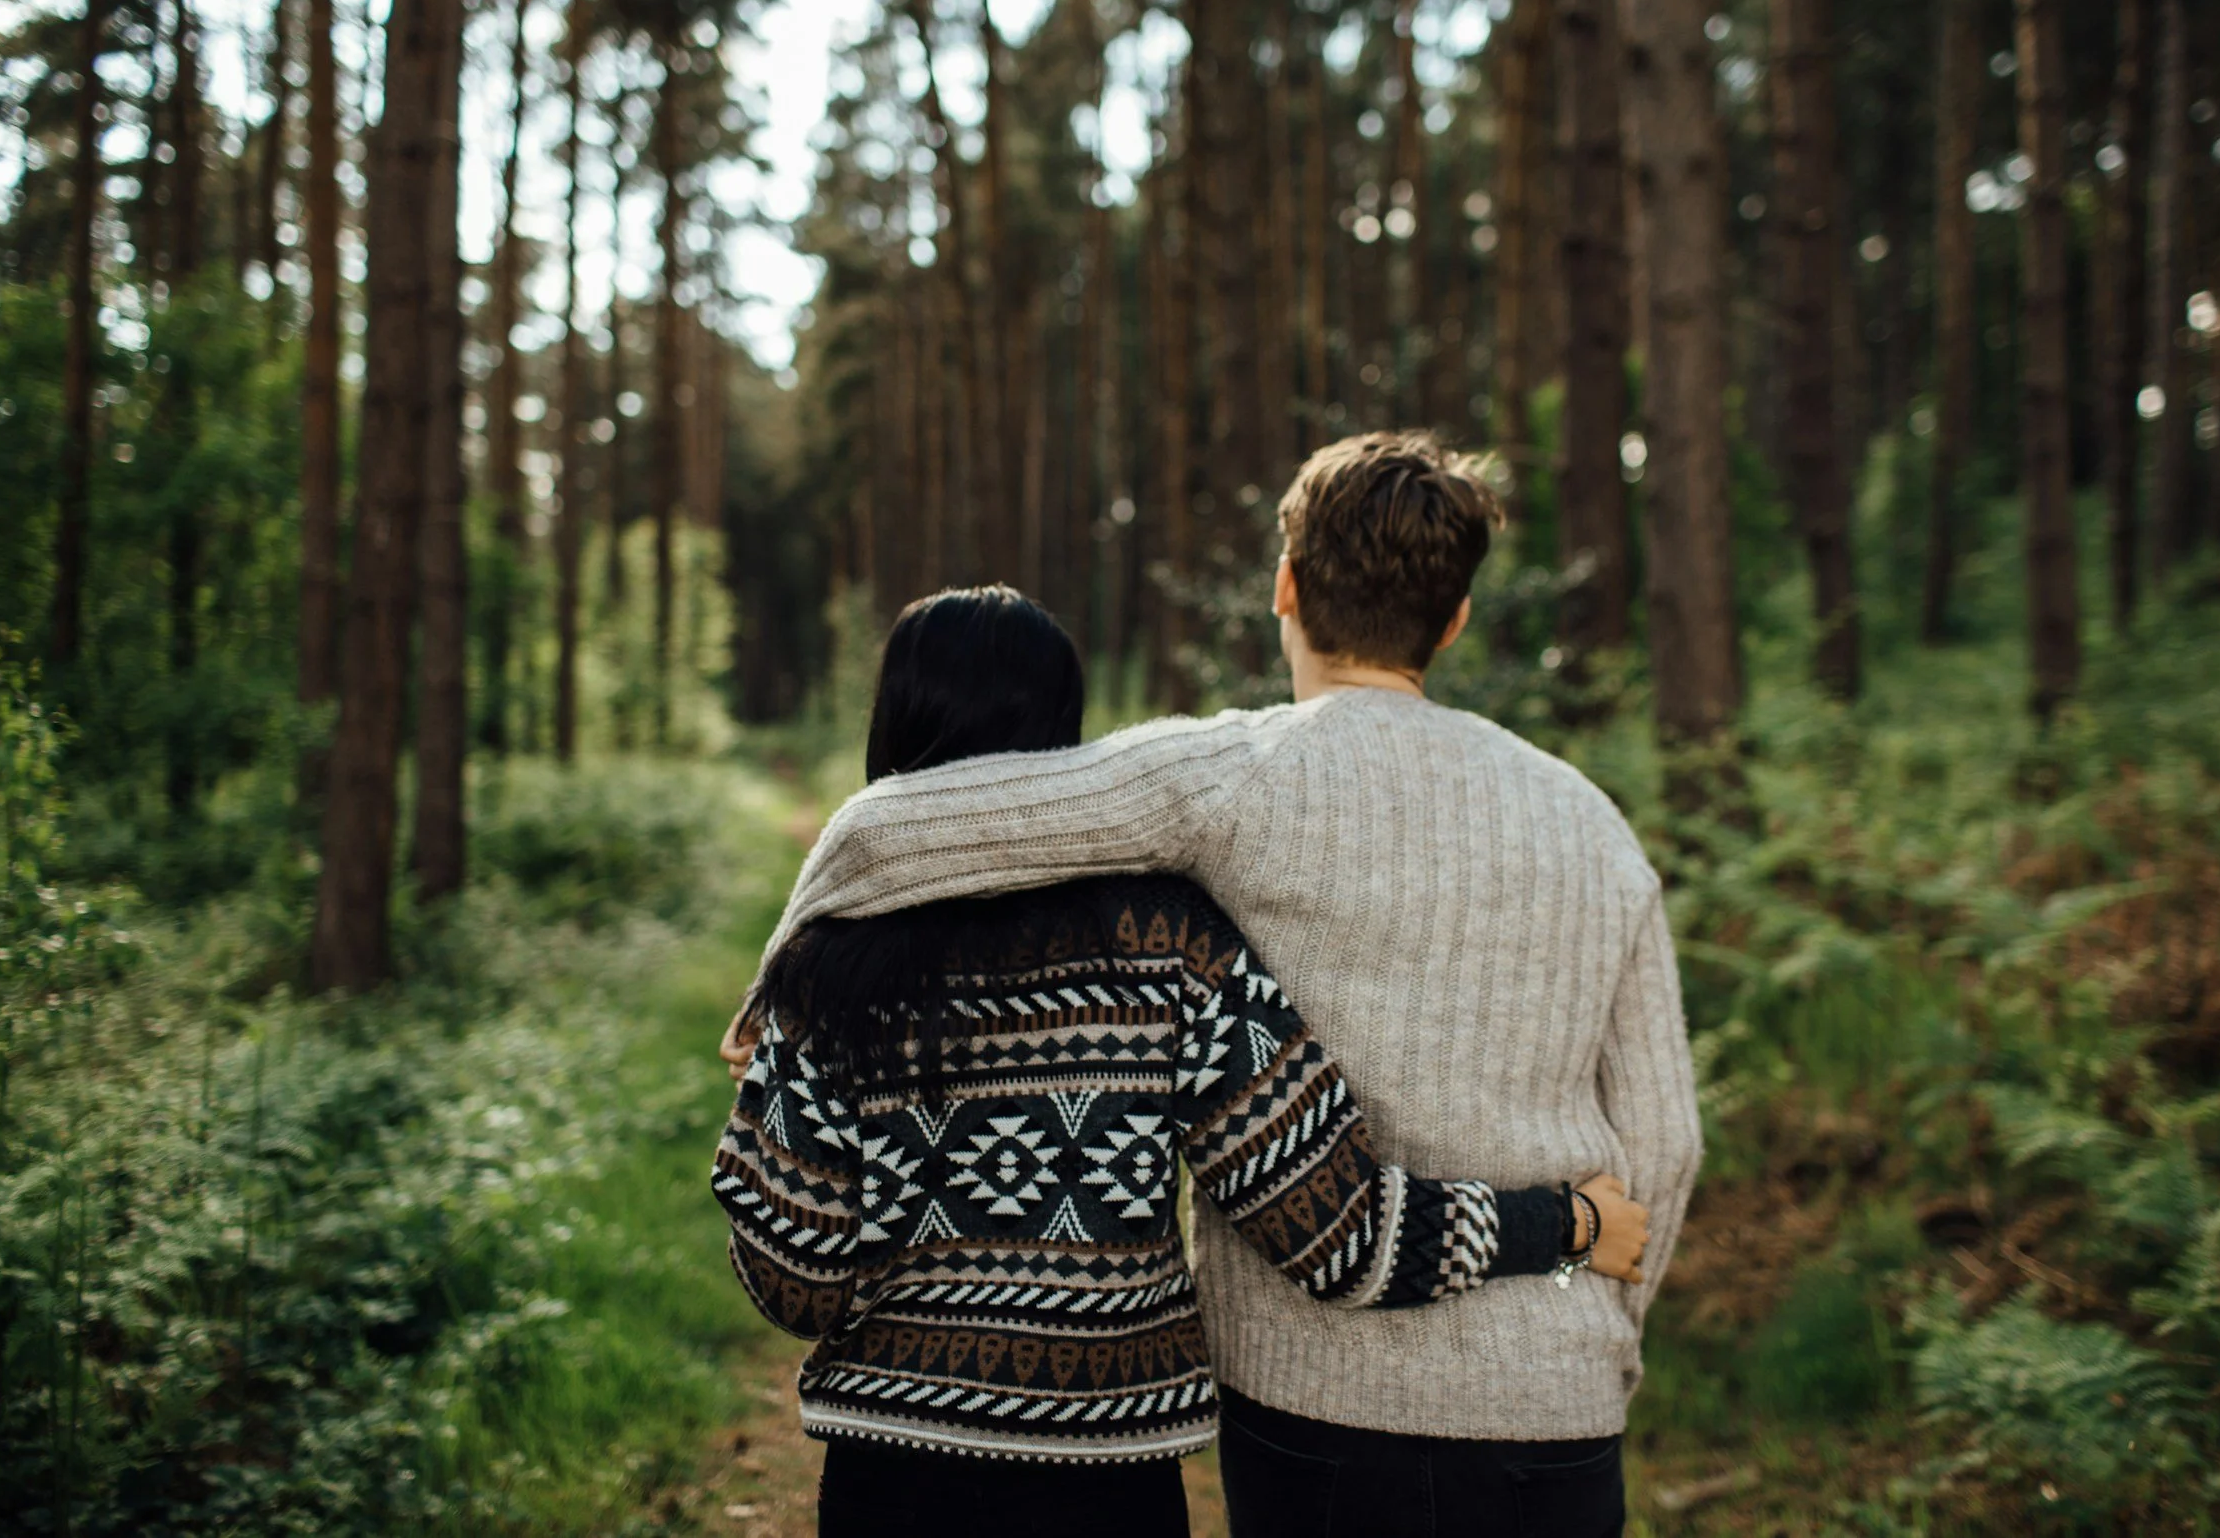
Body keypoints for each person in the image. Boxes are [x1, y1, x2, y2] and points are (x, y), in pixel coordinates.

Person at [728, 433, 1705, 1537]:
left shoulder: (1231, 777)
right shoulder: (1587, 821)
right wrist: (1595, 1318)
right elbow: (1661, 1145)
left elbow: (939, 813)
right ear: (1456, 618)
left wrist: (792, 966)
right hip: (1538, 1404)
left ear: (1285, 585)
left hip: (1290, 1408)